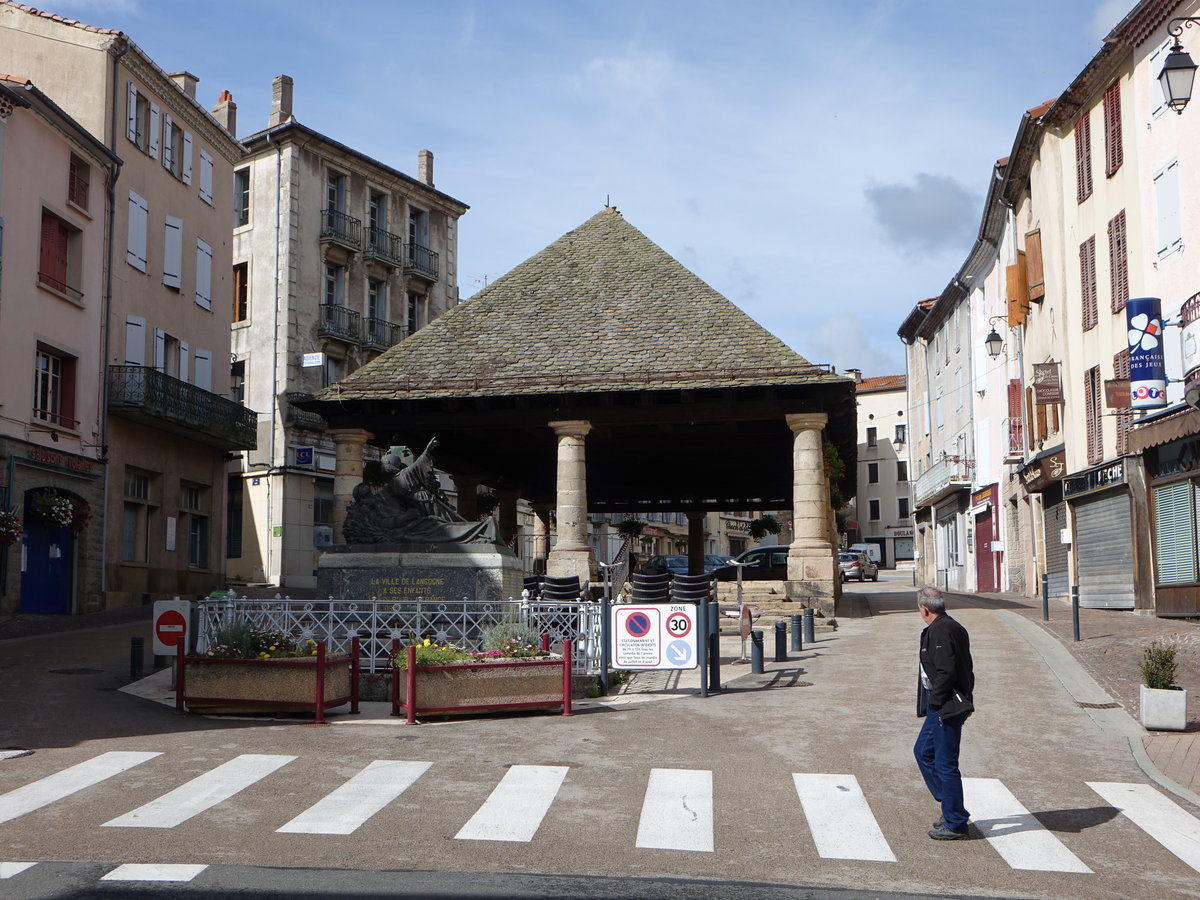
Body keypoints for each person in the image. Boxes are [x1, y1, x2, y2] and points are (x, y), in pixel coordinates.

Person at [914, 585, 975, 841]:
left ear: (924, 609)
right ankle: (952, 808)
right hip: (944, 705)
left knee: (945, 763)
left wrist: (936, 704)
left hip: (946, 706)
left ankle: (956, 821)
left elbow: (946, 671)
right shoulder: (952, 626)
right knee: (923, 752)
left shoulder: (940, 630)